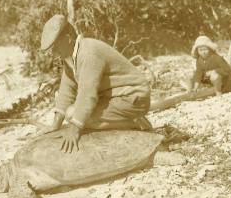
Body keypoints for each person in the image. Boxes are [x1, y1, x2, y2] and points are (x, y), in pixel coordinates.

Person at [40, 14, 153, 154]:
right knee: (73, 114)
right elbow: (66, 90)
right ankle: (127, 118)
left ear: (68, 39)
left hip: (133, 98)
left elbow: (87, 95)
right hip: (116, 97)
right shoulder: (71, 55)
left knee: (73, 115)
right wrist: (55, 125)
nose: (53, 52)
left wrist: (75, 128)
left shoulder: (89, 53)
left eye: (55, 46)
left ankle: (135, 123)